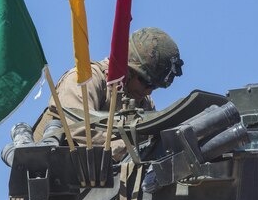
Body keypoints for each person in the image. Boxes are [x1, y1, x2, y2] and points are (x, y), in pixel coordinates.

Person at [33, 27, 183, 152]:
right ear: (127, 69)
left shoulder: (143, 103)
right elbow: (78, 128)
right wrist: (127, 149)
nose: (148, 91)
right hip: (51, 175)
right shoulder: (86, 79)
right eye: (145, 82)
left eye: (155, 87)